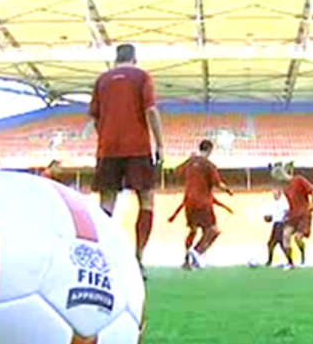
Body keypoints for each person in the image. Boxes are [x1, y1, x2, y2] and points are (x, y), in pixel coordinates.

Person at [90, 44, 165, 280]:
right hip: (138, 148)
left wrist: (106, 137)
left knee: (107, 202)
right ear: (134, 58)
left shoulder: (102, 80)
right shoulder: (141, 76)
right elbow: (151, 111)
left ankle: (103, 258)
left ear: (116, 59)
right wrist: (160, 144)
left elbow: (95, 116)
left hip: (108, 149)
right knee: (146, 199)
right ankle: (138, 258)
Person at [168, 140, 234, 270]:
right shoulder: (209, 165)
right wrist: (228, 190)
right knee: (213, 230)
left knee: (193, 230)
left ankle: (187, 261)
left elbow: (175, 173)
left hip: (188, 201)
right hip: (203, 202)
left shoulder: (189, 161)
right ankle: (197, 253)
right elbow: (218, 184)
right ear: (210, 150)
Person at [271, 164, 313, 270]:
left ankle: (303, 257)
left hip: (304, 214)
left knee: (298, 238)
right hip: (293, 216)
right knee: (285, 236)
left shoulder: (299, 180)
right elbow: (290, 204)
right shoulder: (285, 189)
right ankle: (290, 262)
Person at [264, 186, 291, 267]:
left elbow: (287, 211)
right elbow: (275, 215)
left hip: (280, 224)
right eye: (273, 194)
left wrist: (285, 219)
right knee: (273, 243)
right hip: (275, 224)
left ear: (279, 194)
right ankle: (289, 261)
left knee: (275, 243)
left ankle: (270, 261)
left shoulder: (283, 202)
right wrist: (269, 218)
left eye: (275, 193)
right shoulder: (274, 203)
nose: (274, 195)